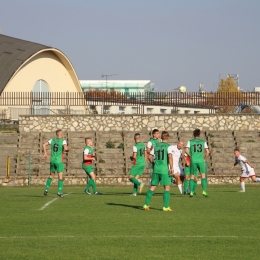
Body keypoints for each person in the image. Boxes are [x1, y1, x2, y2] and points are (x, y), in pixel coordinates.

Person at [143, 131, 173, 211]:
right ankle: (165, 206)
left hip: (156, 169)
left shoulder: (156, 146)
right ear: (168, 137)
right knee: (167, 187)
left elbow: (150, 157)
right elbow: (170, 157)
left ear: (161, 138)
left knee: (153, 187)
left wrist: (153, 163)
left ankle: (146, 205)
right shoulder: (168, 147)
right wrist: (171, 168)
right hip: (164, 169)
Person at [43, 129, 69, 198]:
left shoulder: (52, 140)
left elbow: (44, 145)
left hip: (52, 160)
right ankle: (59, 192)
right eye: (62, 133)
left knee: (51, 175)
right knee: (60, 177)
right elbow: (66, 148)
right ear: (61, 134)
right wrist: (67, 148)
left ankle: (46, 189)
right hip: (59, 161)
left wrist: (45, 153)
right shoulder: (63, 141)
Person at [185, 129, 209, 197]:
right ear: (199, 134)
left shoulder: (190, 141)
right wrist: (204, 158)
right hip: (201, 160)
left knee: (192, 176)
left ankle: (191, 192)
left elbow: (186, 150)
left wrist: (190, 155)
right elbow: (207, 152)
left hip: (193, 160)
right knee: (203, 175)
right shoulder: (203, 142)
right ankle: (204, 191)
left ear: (193, 134)